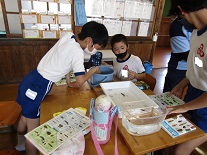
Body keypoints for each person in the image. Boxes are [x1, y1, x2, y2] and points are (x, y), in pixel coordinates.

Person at [15, 21, 108, 155]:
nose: (95, 51)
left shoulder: (69, 36)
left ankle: (19, 145)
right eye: (96, 47)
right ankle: (26, 148)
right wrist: (94, 70)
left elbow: (64, 59)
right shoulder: (78, 53)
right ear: (89, 41)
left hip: (29, 80)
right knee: (34, 135)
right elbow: (81, 80)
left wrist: (69, 81)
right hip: (38, 87)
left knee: (26, 115)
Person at [167, 0, 207, 155]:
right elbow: (198, 68)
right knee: (172, 138)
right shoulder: (197, 33)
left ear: (181, 10)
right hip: (194, 97)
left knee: (181, 149)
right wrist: (182, 84)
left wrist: (184, 107)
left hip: (204, 104)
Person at [163, 8, 193, 93]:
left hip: (195, 69)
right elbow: (186, 55)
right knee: (170, 97)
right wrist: (202, 64)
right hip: (179, 69)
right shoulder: (177, 27)